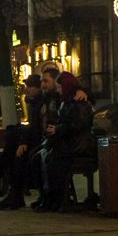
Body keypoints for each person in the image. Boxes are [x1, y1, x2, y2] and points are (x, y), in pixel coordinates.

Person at [35, 72, 95, 213]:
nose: (58, 90)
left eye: (60, 87)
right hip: (68, 142)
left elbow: (78, 124)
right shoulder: (65, 100)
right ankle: (47, 197)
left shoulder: (77, 101)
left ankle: (57, 198)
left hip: (78, 145)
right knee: (38, 158)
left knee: (53, 160)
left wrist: (57, 129)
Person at [0, 74, 45, 208]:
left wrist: (24, 141)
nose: (26, 89)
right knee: (12, 136)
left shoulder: (42, 102)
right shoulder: (34, 103)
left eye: (30, 86)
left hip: (40, 142)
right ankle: (7, 188)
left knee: (16, 153)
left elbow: (35, 128)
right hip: (36, 140)